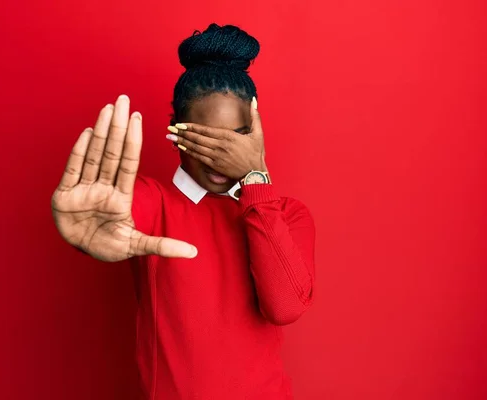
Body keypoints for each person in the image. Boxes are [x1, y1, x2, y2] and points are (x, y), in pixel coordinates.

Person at [51, 23, 316, 400]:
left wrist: (257, 178)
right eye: (205, 138)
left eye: (237, 138)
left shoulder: (287, 214)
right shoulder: (151, 202)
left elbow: (285, 306)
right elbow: (113, 215)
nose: (221, 156)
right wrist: (85, 227)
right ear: (176, 131)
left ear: (256, 134)